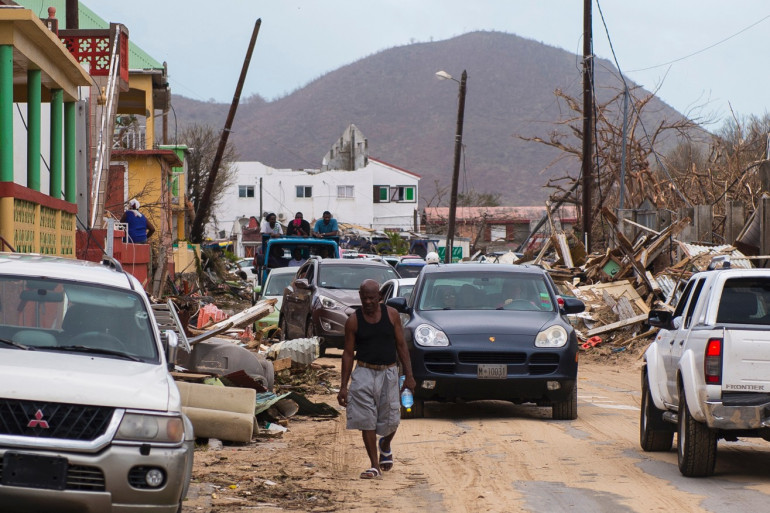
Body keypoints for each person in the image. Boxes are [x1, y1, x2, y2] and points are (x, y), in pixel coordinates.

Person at [338, 279, 416, 480]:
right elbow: (347, 353)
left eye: (372, 298)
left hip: (389, 373)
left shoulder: (391, 316)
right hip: (363, 372)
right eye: (364, 298)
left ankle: (386, 444)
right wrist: (343, 387)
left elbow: (401, 346)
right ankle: (374, 466)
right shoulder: (353, 321)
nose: (368, 302)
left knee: (392, 419)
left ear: (380, 297)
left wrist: (409, 376)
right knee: (367, 420)